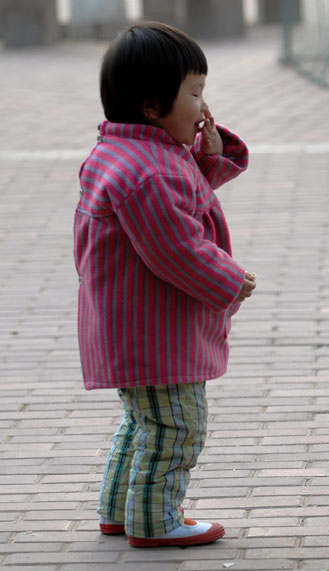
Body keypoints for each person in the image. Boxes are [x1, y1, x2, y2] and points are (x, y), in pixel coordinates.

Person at [73, 21, 256, 548]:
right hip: (155, 331)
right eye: (194, 93)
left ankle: (121, 511)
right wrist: (229, 279)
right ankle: (155, 521)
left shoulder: (128, 154)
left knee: (143, 423)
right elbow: (174, 249)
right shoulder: (150, 171)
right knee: (177, 427)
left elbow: (180, 202)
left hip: (131, 325)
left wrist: (206, 155)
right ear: (154, 106)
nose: (203, 106)